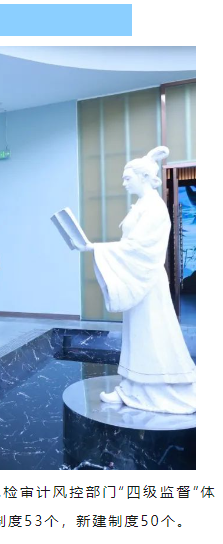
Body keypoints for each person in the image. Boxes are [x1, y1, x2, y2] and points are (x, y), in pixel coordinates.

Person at [74, 146, 196, 414]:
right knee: (137, 334)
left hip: (148, 281)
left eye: (127, 178)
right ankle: (131, 386)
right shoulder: (143, 205)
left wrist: (96, 248)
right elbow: (130, 245)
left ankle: (155, 388)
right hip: (139, 279)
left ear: (143, 177)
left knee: (151, 332)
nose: (124, 183)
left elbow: (139, 247)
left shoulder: (154, 208)